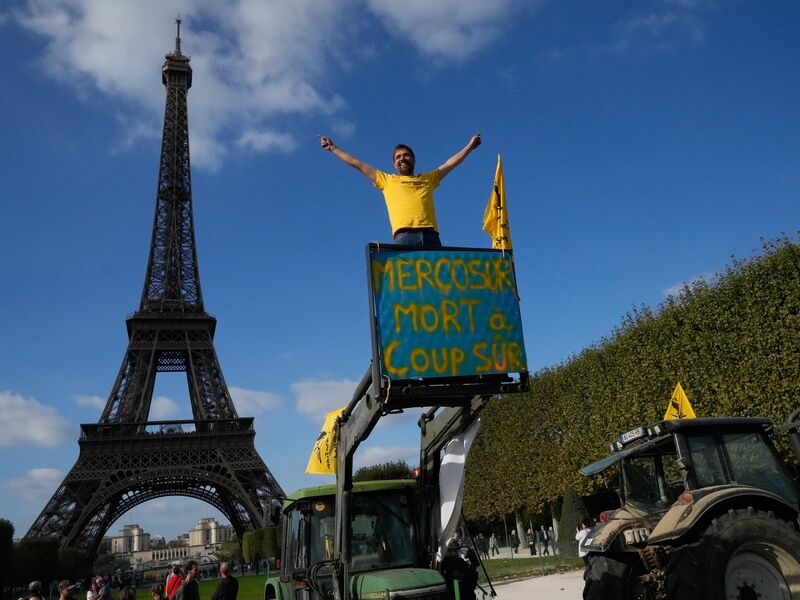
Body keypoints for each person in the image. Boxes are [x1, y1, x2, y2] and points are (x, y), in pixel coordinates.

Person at [318, 133, 482, 246]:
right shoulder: (387, 180)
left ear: (413, 159)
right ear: (394, 164)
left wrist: (470, 147)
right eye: (398, 157)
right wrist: (333, 147)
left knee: (435, 286)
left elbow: (450, 164)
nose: (402, 158)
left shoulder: (428, 179)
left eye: (405, 155)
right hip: (405, 237)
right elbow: (357, 164)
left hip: (431, 236)